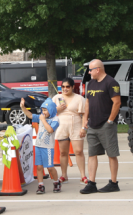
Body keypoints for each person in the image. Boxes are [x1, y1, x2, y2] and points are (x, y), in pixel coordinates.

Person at [80, 59, 121, 194]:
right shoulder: (91, 83)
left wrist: (110, 121)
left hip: (106, 124)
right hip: (93, 124)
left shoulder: (111, 82)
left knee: (111, 154)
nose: (89, 72)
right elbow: (87, 102)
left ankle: (114, 183)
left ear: (98, 69)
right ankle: (91, 183)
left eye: (91, 70)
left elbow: (117, 102)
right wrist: (85, 119)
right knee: (92, 154)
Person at [20, 97, 61, 194]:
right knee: (39, 167)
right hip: (38, 145)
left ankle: (56, 182)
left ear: (51, 109)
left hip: (48, 147)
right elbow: (30, 115)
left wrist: (43, 120)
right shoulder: (42, 117)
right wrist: (23, 107)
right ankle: (41, 185)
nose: (43, 112)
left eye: (45, 110)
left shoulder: (55, 119)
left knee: (50, 167)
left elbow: (50, 130)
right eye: (42, 110)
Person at [52, 77, 88, 185]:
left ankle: (83, 175)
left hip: (76, 125)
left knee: (78, 151)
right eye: (63, 87)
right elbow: (48, 112)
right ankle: (64, 175)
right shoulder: (57, 97)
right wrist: (58, 109)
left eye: (68, 86)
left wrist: (84, 128)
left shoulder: (79, 98)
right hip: (62, 126)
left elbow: (84, 115)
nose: (65, 89)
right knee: (63, 152)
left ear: (72, 87)